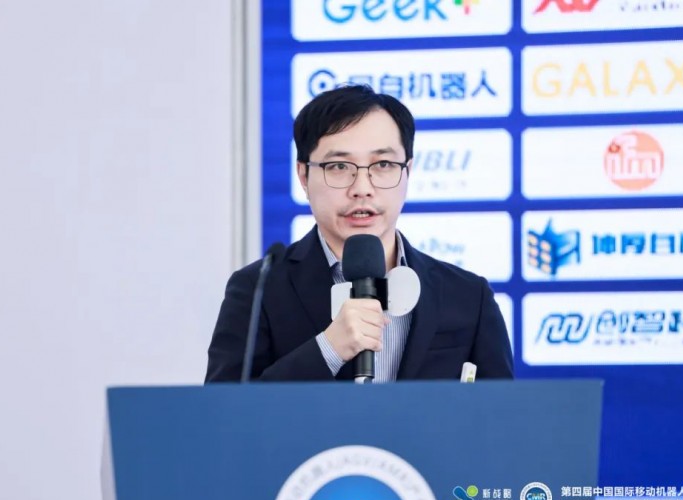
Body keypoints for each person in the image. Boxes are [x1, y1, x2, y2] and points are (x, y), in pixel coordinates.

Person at [206, 85, 513, 382]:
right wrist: (329, 348)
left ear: (407, 171)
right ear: (303, 175)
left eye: (383, 164)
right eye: (339, 166)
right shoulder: (259, 290)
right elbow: (225, 411)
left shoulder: (469, 297)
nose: (362, 188)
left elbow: (501, 412)